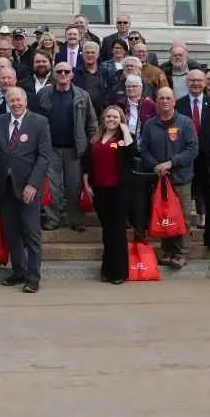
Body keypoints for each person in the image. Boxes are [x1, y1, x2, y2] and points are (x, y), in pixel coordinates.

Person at [0, 87, 53, 293]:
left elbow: (44, 157)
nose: (15, 103)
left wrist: (33, 184)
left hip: (28, 188)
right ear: (7, 102)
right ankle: (19, 271)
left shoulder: (39, 122)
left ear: (25, 101)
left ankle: (33, 277)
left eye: (18, 100)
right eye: (11, 100)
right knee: (11, 233)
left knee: (31, 233)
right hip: (4, 187)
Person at [138, 87, 199, 269]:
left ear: (174, 101)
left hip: (180, 178)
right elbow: (144, 149)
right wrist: (155, 164)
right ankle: (167, 251)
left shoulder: (185, 123)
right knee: (163, 216)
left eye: (168, 98)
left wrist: (171, 163)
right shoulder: (150, 124)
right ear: (156, 102)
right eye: (161, 98)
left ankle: (181, 253)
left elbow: (192, 149)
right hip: (159, 179)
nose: (164, 101)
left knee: (183, 217)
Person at [35, 61, 98, 232]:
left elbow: (92, 122)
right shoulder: (44, 94)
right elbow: (36, 120)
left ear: (72, 74)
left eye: (66, 71)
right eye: (59, 71)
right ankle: (52, 219)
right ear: (54, 74)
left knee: (74, 187)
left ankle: (76, 219)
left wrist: (91, 143)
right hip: (51, 148)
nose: (63, 74)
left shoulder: (82, 95)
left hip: (75, 149)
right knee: (53, 187)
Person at [82, 105, 136, 284]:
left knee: (118, 231)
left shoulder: (125, 139)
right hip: (100, 190)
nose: (111, 120)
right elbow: (87, 163)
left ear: (121, 119)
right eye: (108, 117)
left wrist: (125, 130)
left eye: (115, 117)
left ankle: (120, 272)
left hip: (119, 190)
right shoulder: (96, 139)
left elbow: (131, 153)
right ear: (103, 119)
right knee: (107, 231)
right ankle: (107, 270)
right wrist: (86, 184)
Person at [176, 69, 210, 247]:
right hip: (185, 162)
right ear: (187, 82)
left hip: (209, 162)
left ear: (205, 83)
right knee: (183, 203)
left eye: (199, 80)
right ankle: (181, 240)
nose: (196, 84)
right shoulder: (178, 105)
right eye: (192, 80)